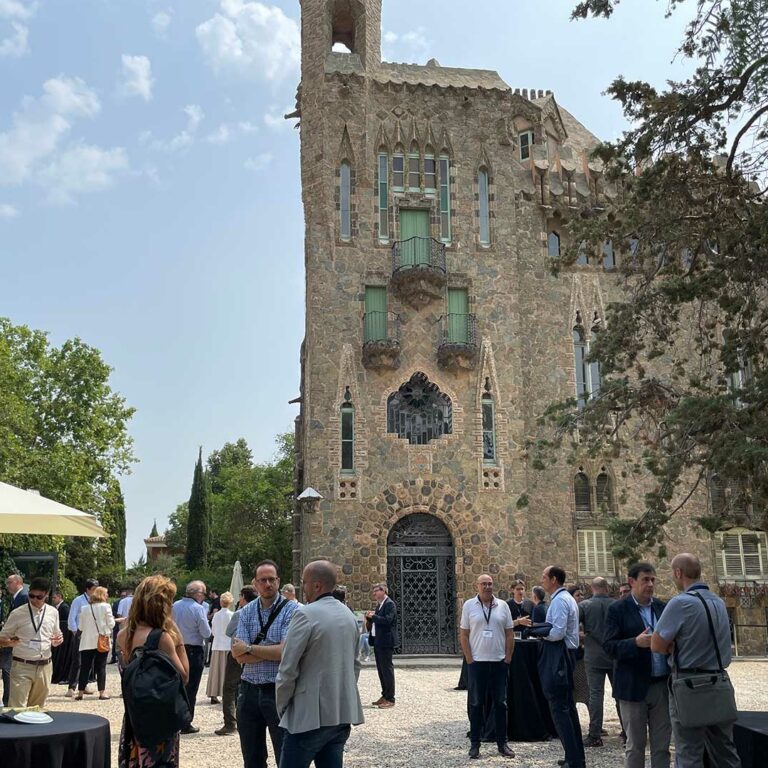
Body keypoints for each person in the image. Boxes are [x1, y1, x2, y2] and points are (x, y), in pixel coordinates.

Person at [651, 553, 741, 768]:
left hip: (689, 685)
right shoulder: (719, 602)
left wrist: (672, 646)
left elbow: (656, 645)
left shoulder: (680, 603)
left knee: (689, 751)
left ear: (678, 573)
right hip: (719, 682)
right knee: (725, 750)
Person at [276, 560, 364, 767]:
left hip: (308, 715)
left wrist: (282, 706)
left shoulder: (305, 614)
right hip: (341, 713)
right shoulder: (349, 615)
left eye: (304, 582)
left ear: (316, 585)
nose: (303, 587)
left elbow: (288, 668)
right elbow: (355, 665)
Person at [232, 559, 299, 768]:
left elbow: (284, 652)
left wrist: (250, 648)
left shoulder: (292, 610)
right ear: (255, 583)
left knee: (285, 756)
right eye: (263, 580)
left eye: (271, 579)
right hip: (248, 690)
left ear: (278, 581)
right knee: (252, 758)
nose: (267, 584)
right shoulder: (246, 611)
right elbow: (238, 655)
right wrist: (271, 650)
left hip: (279, 690)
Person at [117, 575, 190, 768]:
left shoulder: (123, 635)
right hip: (159, 716)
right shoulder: (161, 638)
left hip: (135, 715)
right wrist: (179, 642)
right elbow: (183, 676)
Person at [603, 562, 670, 768]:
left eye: (653, 580)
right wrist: (635, 643)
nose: (650, 584)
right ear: (632, 582)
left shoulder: (662, 608)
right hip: (632, 687)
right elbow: (609, 646)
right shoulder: (618, 609)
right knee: (635, 746)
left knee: (662, 746)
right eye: (645, 580)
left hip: (661, 686)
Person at [531, 565, 585, 768]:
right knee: (567, 708)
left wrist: (538, 632)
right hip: (564, 655)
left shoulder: (560, 601)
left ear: (554, 579)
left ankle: (574, 760)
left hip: (559, 656)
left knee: (560, 709)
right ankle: (575, 756)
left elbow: (557, 633)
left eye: (544, 576)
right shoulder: (564, 599)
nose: (542, 580)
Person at [459, 573, 516, 760]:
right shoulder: (469, 606)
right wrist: (469, 659)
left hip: (499, 663)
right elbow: (464, 634)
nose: (487, 587)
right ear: (477, 586)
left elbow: (509, 633)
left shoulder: (503, 606)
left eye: (490, 583)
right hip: (477, 663)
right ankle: (475, 744)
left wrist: (508, 657)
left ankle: (502, 743)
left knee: (501, 704)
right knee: (476, 704)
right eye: (483, 584)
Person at [0, 577, 63, 707]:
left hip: (45, 666)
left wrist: (58, 640)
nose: (34, 600)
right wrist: (8, 643)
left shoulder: (53, 613)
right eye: (31, 596)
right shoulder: (17, 613)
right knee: (17, 709)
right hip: (21, 665)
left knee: (37, 709)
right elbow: (2, 637)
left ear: (46, 595)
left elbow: (56, 636)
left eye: (39, 597)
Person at [579, 576, 618, 747]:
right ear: (607, 588)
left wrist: (582, 636)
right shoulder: (616, 605)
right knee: (620, 694)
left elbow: (573, 625)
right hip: (615, 654)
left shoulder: (584, 606)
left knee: (595, 694)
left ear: (591, 588)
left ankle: (595, 734)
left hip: (593, 654)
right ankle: (627, 732)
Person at [216, 585, 258, 736]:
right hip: (254, 653)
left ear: (243, 598)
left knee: (229, 687)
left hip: (237, 653)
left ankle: (230, 724)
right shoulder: (260, 612)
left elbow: (228, 632)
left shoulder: (240, 613)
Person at [172, 579, 211, 732]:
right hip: (193, 651)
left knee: (176, 686)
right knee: (191, 688)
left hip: (175, 649)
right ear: (198, 594)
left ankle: (174, 719)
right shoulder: (198, 609)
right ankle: (186, 722)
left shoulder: (174, 606)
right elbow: (206, 632)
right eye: (204, 593)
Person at [76, 585, 115, 700]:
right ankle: (102, 692)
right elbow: (111, 624)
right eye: (106, 593)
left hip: (87, 641)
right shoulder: (106, 606)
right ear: (102, 595)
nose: (107, 595)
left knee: (85, 667)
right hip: (101, 641)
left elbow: (81, 627)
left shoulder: (84, 608)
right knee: (101, 667)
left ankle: (80, 692)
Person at [365, 582, 398, 709]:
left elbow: (388, 621)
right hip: (378, 641)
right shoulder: (380, 605)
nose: (374, 593)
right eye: (373, 591)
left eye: (376, 591)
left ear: (383, 591)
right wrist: (371, 618)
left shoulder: (389, 604)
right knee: (381, 670)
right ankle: (384, 694)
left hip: (386, 641)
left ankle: (390, 698)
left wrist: (374, 616)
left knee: (387, 670)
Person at [66, 577, 99, 698]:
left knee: (89, 661)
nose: (96, 591)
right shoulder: (78, 600)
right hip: (80, 633)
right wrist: (76, 632)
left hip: (93, 633)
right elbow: (71, 618)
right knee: (77, 661)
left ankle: (84, 684)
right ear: (88, 589)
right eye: (94, 589)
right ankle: (71, 687)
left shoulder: (97, 601)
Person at [1, 573, 28, 706]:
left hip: (15, 640)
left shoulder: (23, 596)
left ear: (18, 582)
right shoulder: (17, 597)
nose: (7, 585)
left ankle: (8, 701)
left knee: (8, 669)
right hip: (12, 639)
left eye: (9, 582)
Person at [207, 591, 234, 705]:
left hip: (217, 645)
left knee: (215, 671)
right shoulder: (232, 615)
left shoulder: (216, 615)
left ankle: (213, 694)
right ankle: (225, 694)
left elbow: (213, 631)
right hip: (228, 646)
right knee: (226, 671)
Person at [51, 589, 75, 684]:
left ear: (60, 597)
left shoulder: (64, 607)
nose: (53, 599)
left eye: (54, 597)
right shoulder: (58, 607)